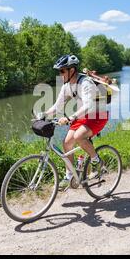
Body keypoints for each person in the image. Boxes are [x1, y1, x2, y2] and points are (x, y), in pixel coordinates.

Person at [39, 54, 109, 188]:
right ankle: (69, 176)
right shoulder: (67, 86)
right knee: (66, 143)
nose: (60, 75)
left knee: (78, 136)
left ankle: (96, 160)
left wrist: (70, 118)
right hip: (83, 116)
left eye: (62, 71)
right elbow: (57, 106)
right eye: (59, 71)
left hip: (98, 115)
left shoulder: (85, 83)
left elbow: (89, 105)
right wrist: (44, 114)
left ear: (72, 70)